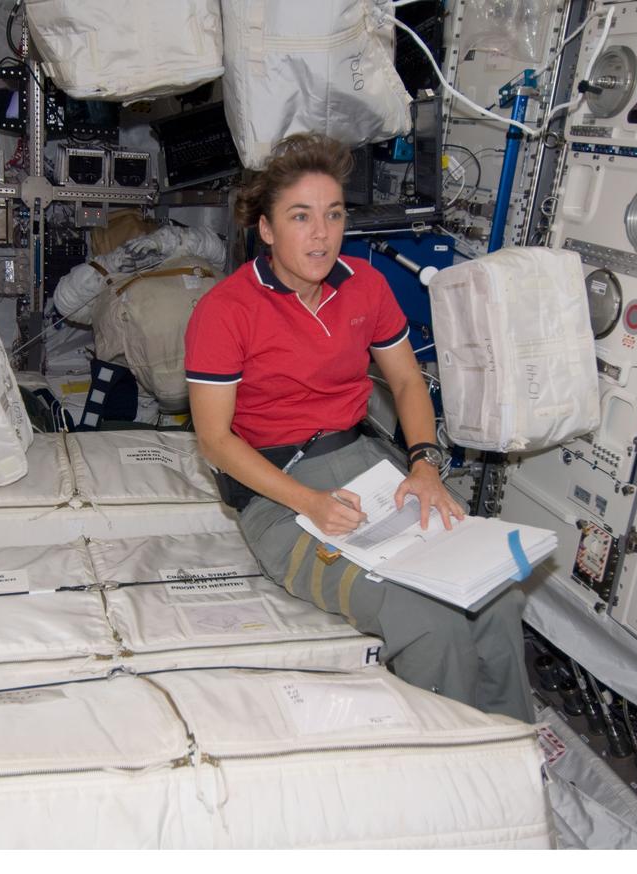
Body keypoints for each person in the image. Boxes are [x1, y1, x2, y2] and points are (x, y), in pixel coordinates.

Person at [183, 133, 533, 722]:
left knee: (495, 595)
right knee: (428, 624)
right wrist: (310, 504)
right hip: (282, 489)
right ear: (266, 230)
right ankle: (450, 775)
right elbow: (215, 441)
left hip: (372, 466)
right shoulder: (225, 310)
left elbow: (406, 382)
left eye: (333, 214)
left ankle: (510, 752)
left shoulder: (365, 286)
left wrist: (423, 463)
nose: (320, 233)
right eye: (300, 217)